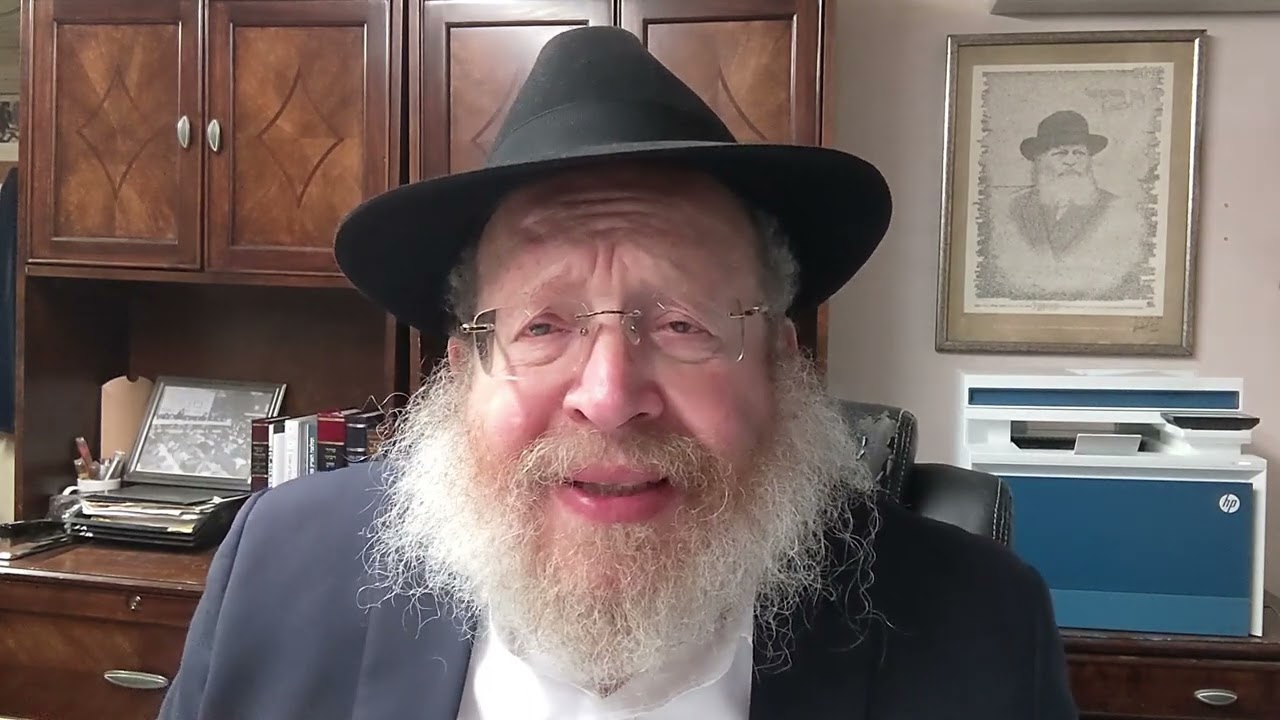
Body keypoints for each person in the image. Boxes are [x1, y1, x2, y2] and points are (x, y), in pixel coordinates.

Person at [157, 27, 1077, 719]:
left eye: (682, 325)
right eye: (542, 326)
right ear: (464, 372)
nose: (607, 397)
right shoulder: (278, 569)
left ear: (781, 365)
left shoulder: (983, 626)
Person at [989, 110, 1147, 300]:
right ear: (1040, 160)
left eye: (1079, 153)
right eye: (1060, 153)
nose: (1071, 161)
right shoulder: (1013, 207)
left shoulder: (1116, 210)